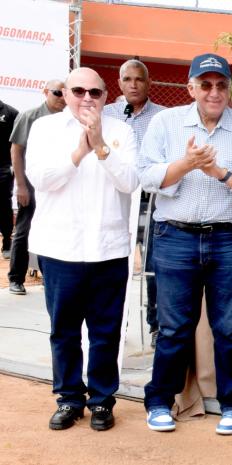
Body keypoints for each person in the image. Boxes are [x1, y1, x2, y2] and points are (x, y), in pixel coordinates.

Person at [138, 53, 232, 435]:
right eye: (205, 84)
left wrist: (218, 172)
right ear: (190, 88)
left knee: (229, 328)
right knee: (172, 327)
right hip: (175, 236)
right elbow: (146, 176)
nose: (214, 92)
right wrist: (186, 164)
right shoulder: (165, 122)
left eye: (221, 84)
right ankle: (160, 400)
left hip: (230, 237)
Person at [27, 67, 138, 431]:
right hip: (61, 249)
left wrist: (101, 145)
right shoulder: (45, 129)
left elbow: (130, 182)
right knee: (64, 329)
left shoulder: (122, 130)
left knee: (105, 331)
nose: (87, 98)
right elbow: (41, 179)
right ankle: (70, 398)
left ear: (107, 96)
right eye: (78, 91)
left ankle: (102, 401)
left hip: (108, 249)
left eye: (96, 92)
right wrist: (79, 152)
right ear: (65, 93)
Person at [103, 59, 167, 348]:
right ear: (119, 83)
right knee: (115, 264)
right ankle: (117, 322)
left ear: (149, 82)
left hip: (153, 201)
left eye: (139, 79)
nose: (133, 84)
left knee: (154, 263)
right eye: (127, 79)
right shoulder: (107, 115)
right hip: (116, 200)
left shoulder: (164, 117)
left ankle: (155, 325)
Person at [8, 79, 66, 295]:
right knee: (24, 230)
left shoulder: (69, 119)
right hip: (32, 185)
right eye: (56, 93)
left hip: (59, 184)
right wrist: (21, 186)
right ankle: (16, 278)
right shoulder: (29, 117)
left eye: (64, 93)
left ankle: (48, 277)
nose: (61, 97)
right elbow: (16, 151)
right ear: (45, 92)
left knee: (55, 231)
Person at [0, 98, 17, 260]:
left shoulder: (10, 113)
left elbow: (17, 142)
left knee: (4, 205)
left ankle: (7, 242)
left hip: (3, 167)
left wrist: (12, 165)